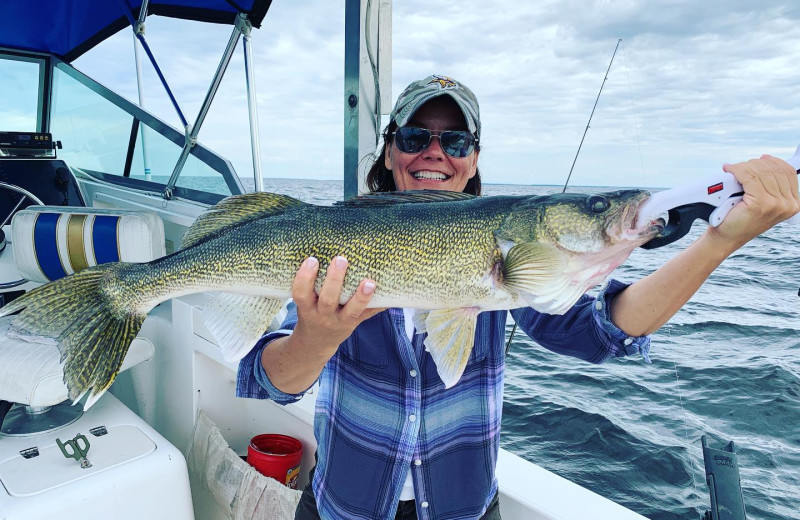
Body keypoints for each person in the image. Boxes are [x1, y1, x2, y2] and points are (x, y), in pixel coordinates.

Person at [236, 74, 799, 520]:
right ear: (388, 153)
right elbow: (264, 383)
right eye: (415, 137)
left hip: (465, 511)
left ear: (474, 160)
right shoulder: (334, 237)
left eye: (455, 140)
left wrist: (720, 241)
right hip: (343, 511)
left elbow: (604, 332)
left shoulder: (515, 259)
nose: (435, 152)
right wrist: (316, 336)